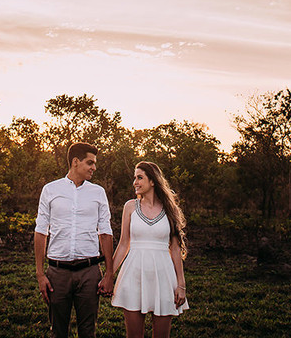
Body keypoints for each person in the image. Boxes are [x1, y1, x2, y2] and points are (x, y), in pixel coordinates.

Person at [35, 142, 115, 338]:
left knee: (88, 332)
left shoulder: (98, 192)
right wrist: (40, 274)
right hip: (57, 273)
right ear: (75, 162)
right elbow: (40, 231)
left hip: (89, 273)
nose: (94, 168)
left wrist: (109, 274)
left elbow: (105, 232)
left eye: (94, 163)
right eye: (90, 162)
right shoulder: (50, 190)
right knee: (58, 332)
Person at [110, 161, 188, 338]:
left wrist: (181, 285)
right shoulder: (130, 207)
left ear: (152, 181)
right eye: (134, 178)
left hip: (163, 277)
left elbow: (175, 249)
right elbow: (123, 244)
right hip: (134, 275)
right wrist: (109, 276)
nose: (135, 182)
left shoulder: (170, 209)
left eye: (139, 178)